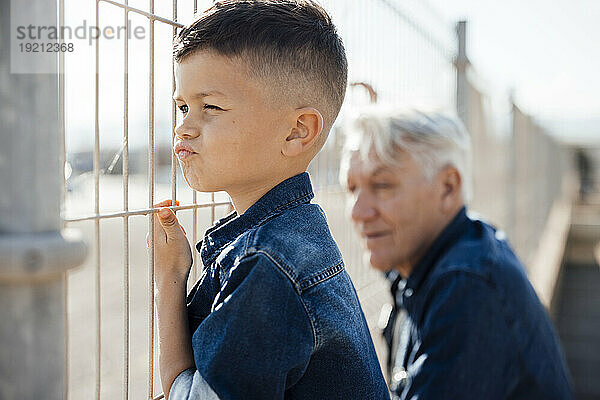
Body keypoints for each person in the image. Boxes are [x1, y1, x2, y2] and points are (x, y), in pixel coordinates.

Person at [148, 1, 389, 399]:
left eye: (210, 107)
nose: (184, 127)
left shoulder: (265, 268)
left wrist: (169, 280)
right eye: (182, 106)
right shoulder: (299, 232)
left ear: (297, 131)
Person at [342, 109, 573, 399]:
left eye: (382, 185)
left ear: (448, 188)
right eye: (351, 188)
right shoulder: (458, 249)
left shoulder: (468, 286)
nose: (357, 212)